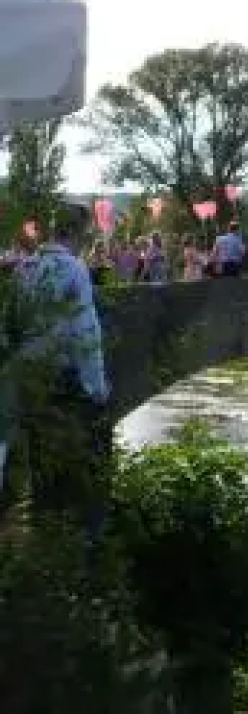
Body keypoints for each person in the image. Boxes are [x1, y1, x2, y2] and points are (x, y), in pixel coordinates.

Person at [6, 209, 113, 538]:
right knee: (85, 469)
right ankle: (86, 551)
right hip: (63, 379)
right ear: (79, 233)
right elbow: (85, 333)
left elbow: (13, 324)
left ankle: (44, 538)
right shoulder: (72, 268)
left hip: (29, 377)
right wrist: (96, 387)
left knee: (43, 471)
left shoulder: (26, 266)